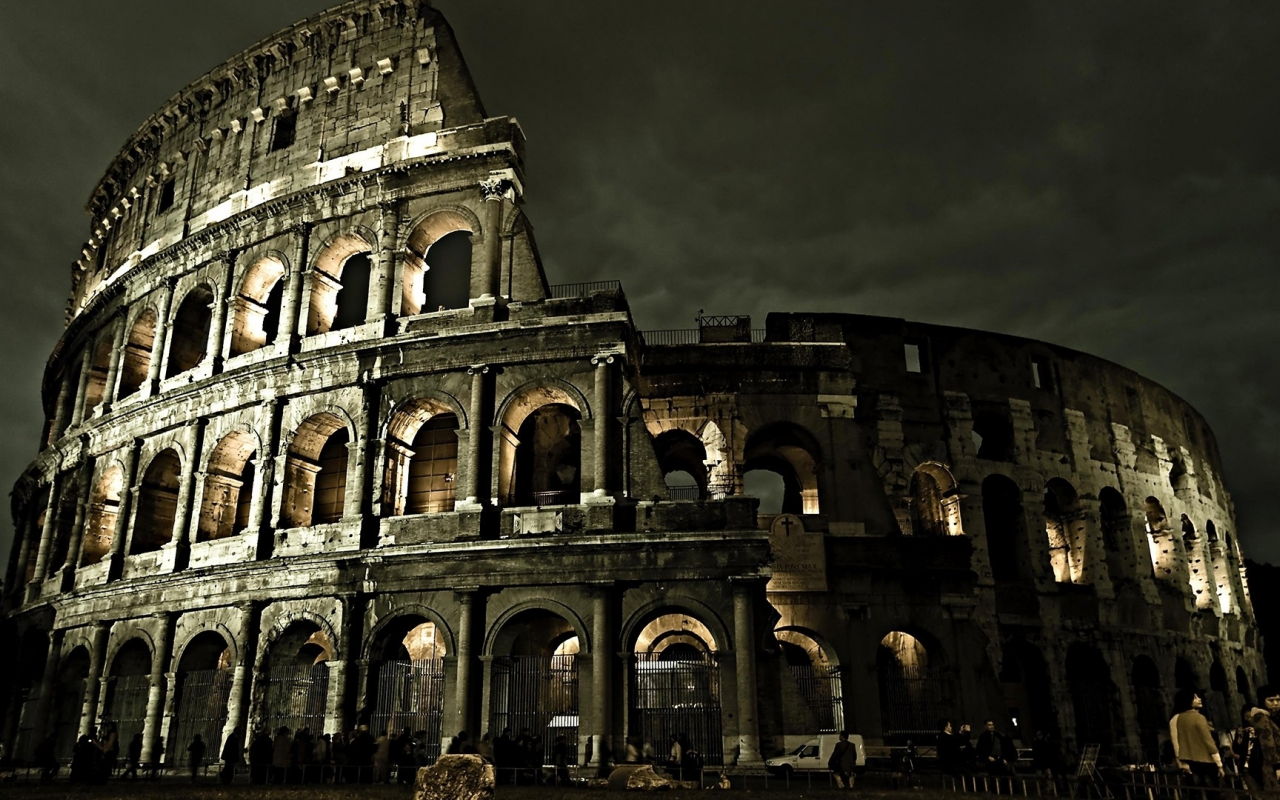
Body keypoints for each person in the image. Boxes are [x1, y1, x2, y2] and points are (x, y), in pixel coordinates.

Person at [1172, 689, 1225, 786]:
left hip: (1188, 761)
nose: (1199, 699)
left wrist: (1181, 762)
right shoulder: (1199, 718)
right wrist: (1219, 764)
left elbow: (1176, 743)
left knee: (1196, 792)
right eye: (1194, 698)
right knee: (1212, 792)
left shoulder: (1176, 719)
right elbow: (1209, 743)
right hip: (1206, 761)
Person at [1248, 685, 1280, 792]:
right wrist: (1277, 766)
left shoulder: (1272, 717)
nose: (1275, 703)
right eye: (1271, 700)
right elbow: (1267, 743)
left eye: (1278, 700)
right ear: (1263, 701)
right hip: (1271, 765)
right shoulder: (1261, 717)